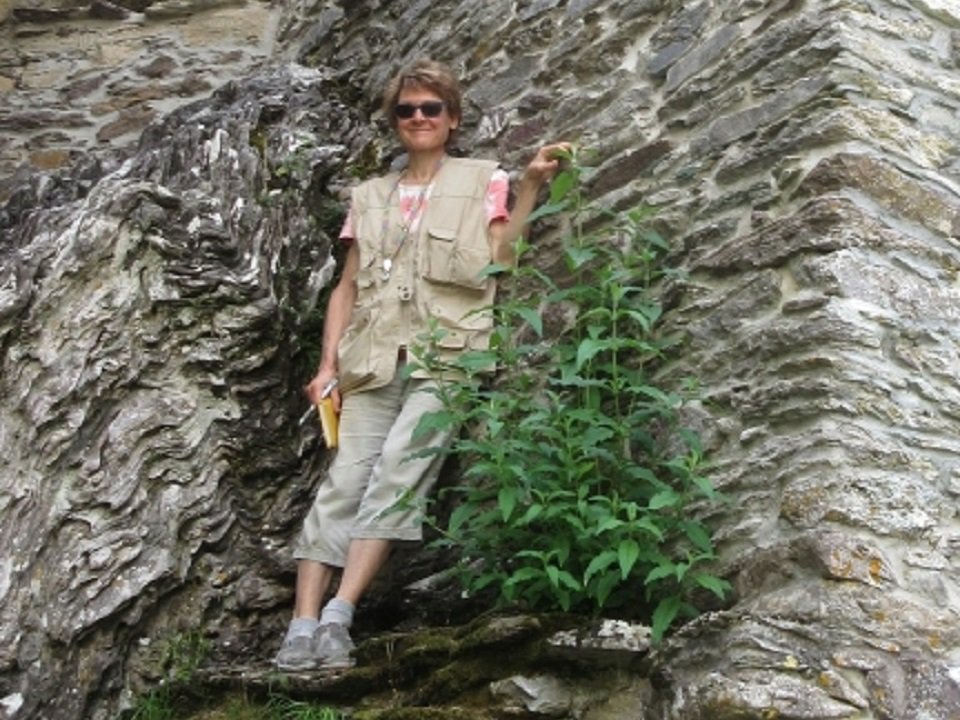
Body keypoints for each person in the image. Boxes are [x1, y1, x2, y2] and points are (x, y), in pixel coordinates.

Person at [274, 57, 569, 671]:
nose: (417, 118)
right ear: (394, 121)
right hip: (371, 361)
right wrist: (327, 364)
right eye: (406, 110)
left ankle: (339, 618)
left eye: (430, 108)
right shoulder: (371, 196)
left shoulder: (483, 178)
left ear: (451, 118)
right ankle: (300, 627)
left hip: (448, 358)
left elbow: (502, 259)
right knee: (342, 485)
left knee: (396, 480)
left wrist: (533, 185)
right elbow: (346, 288)